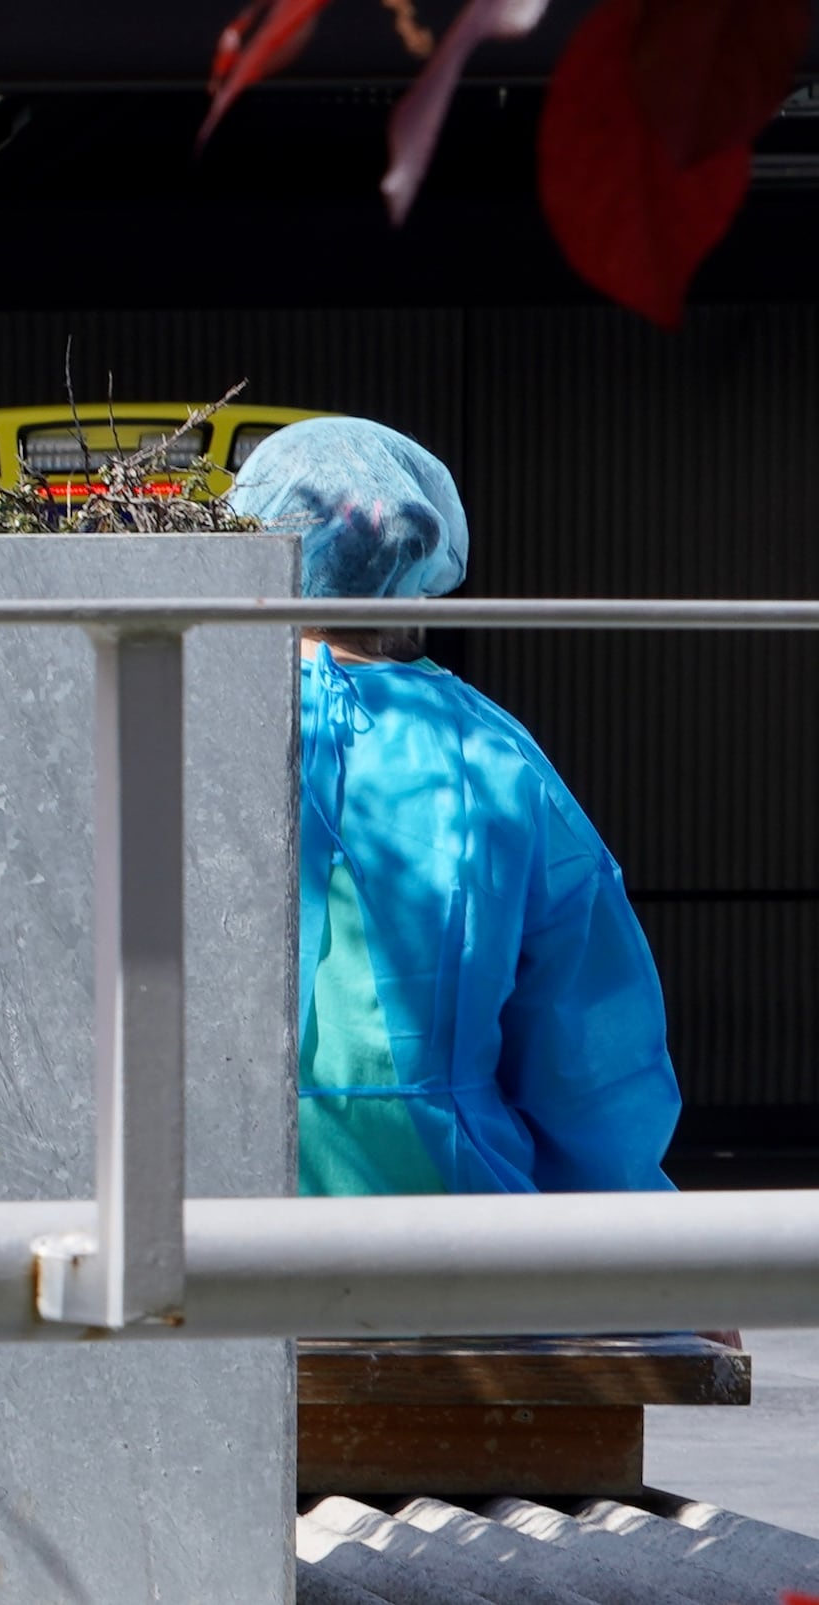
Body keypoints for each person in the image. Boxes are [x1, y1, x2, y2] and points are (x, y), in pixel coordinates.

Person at [225, 415, 681, 1196]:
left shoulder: (185, 726)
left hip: (207, 1247)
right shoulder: (493, 756)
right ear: (418, 561)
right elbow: (593, 1068)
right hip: (457, 1251)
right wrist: (661, 1257)